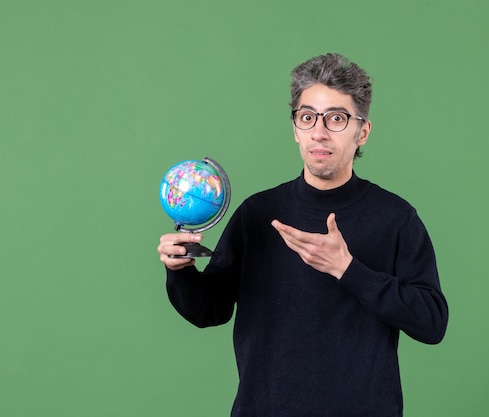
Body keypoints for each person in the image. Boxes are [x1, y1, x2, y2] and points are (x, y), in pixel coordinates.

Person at [157, 53, 448, 417]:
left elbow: (432, 322)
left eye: (337, 119)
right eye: (307, 117)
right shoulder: (257, 214)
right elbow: (209, 310)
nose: (319, 132)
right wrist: (180, 270)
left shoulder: (396, 218)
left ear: (363, 131)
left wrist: (347, 269)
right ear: (295, 128)